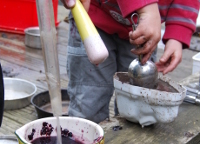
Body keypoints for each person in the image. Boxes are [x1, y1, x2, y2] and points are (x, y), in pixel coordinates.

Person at [61, 0, 199, 123]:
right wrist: (145, 7)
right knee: (88, 103)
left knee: (140, 108)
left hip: (145, 30)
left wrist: (179, 31)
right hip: (92, 21)